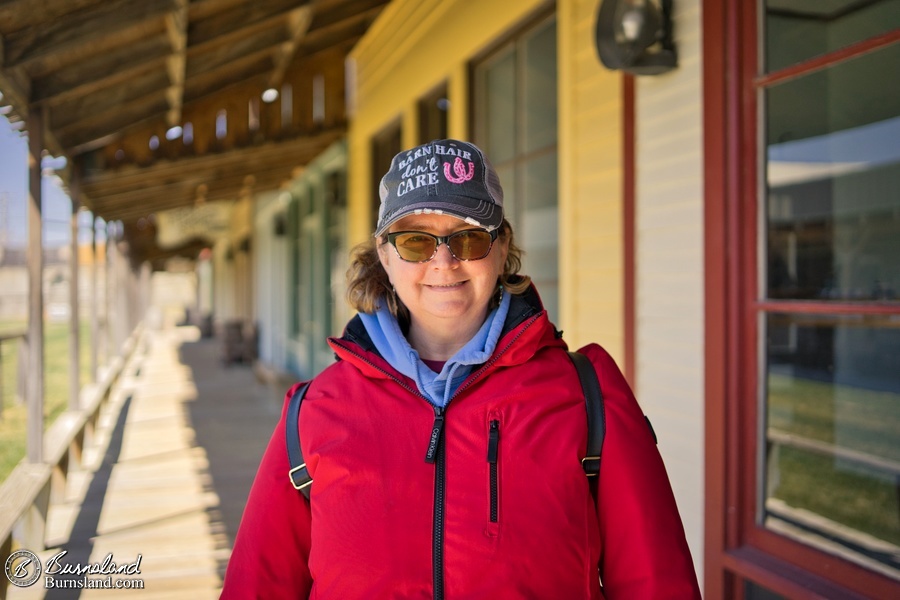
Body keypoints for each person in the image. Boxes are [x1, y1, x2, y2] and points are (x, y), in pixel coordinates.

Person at [220, 139, 701, 598]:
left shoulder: (587, 394)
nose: (444, 261)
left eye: (468, 238)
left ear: (501, 245)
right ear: (385, 255)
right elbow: (255, 587)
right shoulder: (312, 412)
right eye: (414, 242)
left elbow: (657, 583)